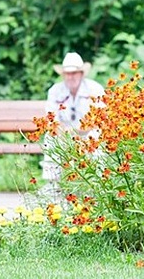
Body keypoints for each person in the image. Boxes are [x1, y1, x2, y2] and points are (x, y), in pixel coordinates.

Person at [40, 52, 105, 192]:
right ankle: (52, 184)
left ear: (81, 73)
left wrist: (80, 130)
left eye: (74, 73)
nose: (70, 77)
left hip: (88, 133)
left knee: (97, 135)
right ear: (63, 74)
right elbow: (51, 119)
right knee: (50, 137)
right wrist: (64, 132)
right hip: (64, 134)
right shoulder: (55, 90)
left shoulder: (95, 88)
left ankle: (100, 183)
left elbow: (101, 118)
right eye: (67, 73)